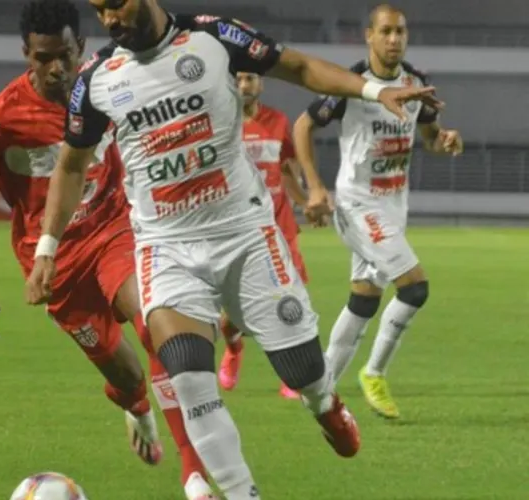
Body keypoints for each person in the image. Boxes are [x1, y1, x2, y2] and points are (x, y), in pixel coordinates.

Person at [25, 0, 440, 497]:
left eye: (118, 4)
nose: (110, 18)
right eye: (100, 10)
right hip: (166, 245)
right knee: (187, 374)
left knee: (304, 370)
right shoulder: (96, 80)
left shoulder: (213, 37)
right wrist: (47, 246)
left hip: (244, 234)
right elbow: (71, 166)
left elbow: (299, 67)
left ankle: (324, 402)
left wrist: (374, 89)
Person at [0, 0, 211, 484]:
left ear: (80, 47)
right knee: (127, 376)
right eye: (43, 58)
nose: (56, 69)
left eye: (64, 55)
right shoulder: (3, 117)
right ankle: (136, 405)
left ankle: (195, 477)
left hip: (114, 232)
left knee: (155, 326)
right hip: (54, 264)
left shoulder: (108, 85)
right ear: (26, 54)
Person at [292, 4, 463, 420]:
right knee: (415, 288)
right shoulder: (351, 84)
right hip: (357, 205)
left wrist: (444, 141)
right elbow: (302, 125)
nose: (393, 40)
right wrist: (315, 186)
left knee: (364, 299)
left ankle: (320, 385)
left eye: (400, 32)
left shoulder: (416, 83)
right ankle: (374, 372)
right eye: (385, 31)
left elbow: (430, 137)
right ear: (369, 35)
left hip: (393, 206)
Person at [218, 71, 310, 400]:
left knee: (290, 303)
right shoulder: (221, 122)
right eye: (239, 79)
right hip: (238, 228)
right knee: (230, 318)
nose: (245, 85)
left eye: (251, 79)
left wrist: (306, 202)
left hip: (279, 227)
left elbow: (286, 170)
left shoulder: (279, 121)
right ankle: (233, 348)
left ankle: (291, 375)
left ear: (262, 83)